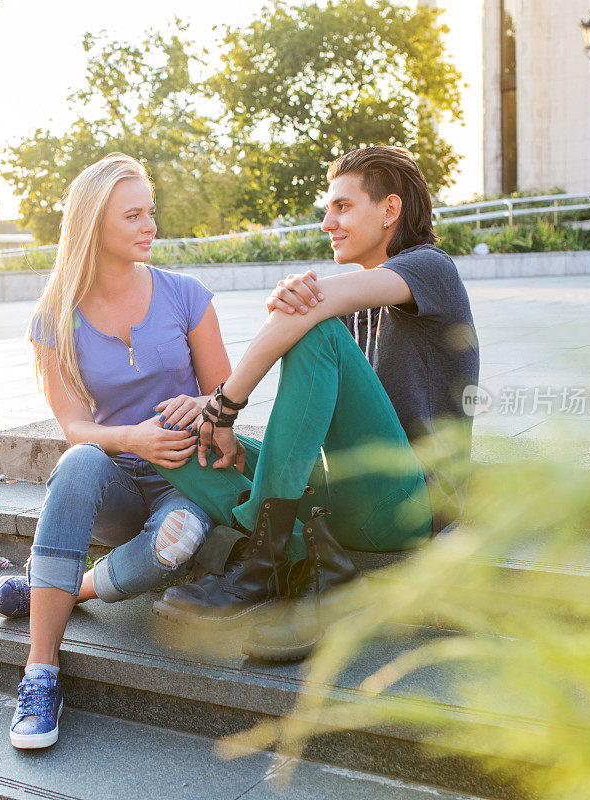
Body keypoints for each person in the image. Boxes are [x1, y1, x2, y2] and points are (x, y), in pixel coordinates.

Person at [148, 145, 480, 661]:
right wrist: (210, 413)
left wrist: (226, 403)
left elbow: (312, 312)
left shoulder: (432, 269)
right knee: (176, 440)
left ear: (390, 210)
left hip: (410, 499)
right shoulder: (349, 302)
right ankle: (311, 559)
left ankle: (262, 560)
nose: (328, 222)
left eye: (342, 207)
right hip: (344, 493)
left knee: (313, 329)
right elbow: (309, 321)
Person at [0, 152, 232, 749]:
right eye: (133, 216)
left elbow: (229, 395)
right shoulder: (54, 320)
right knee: (78, 462)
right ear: (93, 224)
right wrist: (130, 438)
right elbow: (74, 427)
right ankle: (40, 675)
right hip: (115, 481)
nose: (150, 226)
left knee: (174, 543)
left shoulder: (187, 295)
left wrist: (205, 406)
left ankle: (58, 590)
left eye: (151, 212)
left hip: (186, 477)